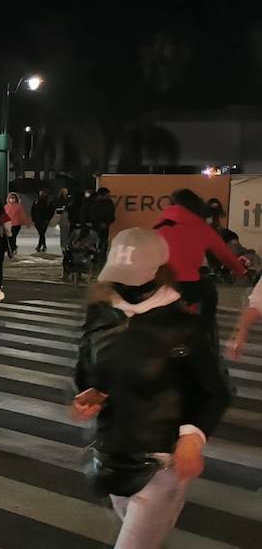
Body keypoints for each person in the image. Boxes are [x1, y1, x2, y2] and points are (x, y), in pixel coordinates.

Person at [72, 227, 231, 548]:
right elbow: (86, 372)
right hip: (113, 457)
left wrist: (191, 437)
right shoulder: (101, 317)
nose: (126, 286)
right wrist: (90, 393)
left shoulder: (183, 326)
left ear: (159, 272)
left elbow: (215, 390)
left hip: (162, 463)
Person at [153, 189, 244, 337]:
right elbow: (224, 254)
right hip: (189, 284)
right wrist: (239, 270)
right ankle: (205, 333)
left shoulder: (158, 226)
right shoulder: (202, 228)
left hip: (160, 281)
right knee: (209, 293)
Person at [84, 187, 117, 266]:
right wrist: (87, 222)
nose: (109, 196)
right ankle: (93, 259)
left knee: (103, 243)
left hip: (103, 227)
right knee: (92, 243)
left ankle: (101, 259)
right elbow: (85, 213)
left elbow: (111, 215)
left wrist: (106, 222)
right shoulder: (90, 202)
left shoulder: (108, 203)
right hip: (92, 226)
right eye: (107, 195)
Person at [31, 189, 54, 253]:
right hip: (38, 220)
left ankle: (40, 246)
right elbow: (33, 210)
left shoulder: (48, 202)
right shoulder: (37, 201)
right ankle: (43, 245)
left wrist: (48, 218)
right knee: (41, 233)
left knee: (41, 233)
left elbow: (51, 211)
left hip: (43, 220)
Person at [53, 187, 73, 252]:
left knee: (68, 232)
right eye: (65, 191)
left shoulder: (69, 198)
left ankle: (67, 244)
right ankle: (64, 245)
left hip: (67, 215)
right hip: (62, 215)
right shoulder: (59, 199)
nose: (66, 192)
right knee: (64, 232)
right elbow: (57, 206)